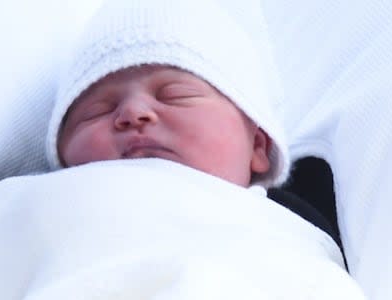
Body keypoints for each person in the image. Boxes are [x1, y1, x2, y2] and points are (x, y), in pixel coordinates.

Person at [38, 0, 365, 298]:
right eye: (96, 110)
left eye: (174, 94)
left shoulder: (291, 238)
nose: (133, 113)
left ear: (258, 146)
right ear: (63, 156)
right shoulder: (36, 204)